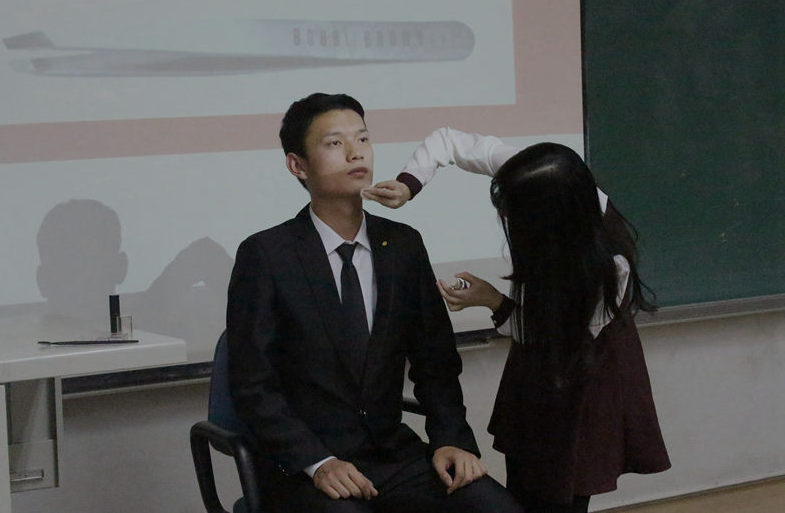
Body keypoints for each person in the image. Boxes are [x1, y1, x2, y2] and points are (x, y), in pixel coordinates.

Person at [226, 97, 522, 513]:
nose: (356, 153)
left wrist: (451, 440)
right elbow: (253, 385)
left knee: (496, 508)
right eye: (335, 143)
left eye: (363, 139)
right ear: (297, 165)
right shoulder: (267, 255)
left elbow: (435, 362)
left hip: (394, 456)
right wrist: (318, 462)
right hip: (308, 467)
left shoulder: (402, 245)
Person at [363, 128, 671, 513]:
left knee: (560, 489)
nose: (507, 218)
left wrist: (492, 300)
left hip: (581, 376)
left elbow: (551, 337)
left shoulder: (606, 269)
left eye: (516, 215)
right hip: (541, 366)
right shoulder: (535, 175)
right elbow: (447, 141)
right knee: (525, 481)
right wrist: (409, 184)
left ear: (549, 222)